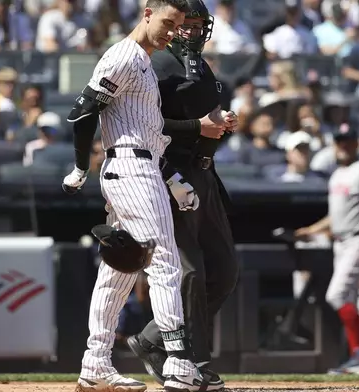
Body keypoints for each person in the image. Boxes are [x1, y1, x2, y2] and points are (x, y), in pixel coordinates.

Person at [60, 0, 233, 389]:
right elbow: (83, 110)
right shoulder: (123, 56)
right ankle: (177, 361)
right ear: (147, 13)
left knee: (119, 271)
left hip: (142, 164)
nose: (172, 31)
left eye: (178, 26)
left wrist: (173, 179)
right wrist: (78, 168)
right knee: (166, 263)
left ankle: (95, 362)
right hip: (131, 169)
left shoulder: (144, 63)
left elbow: (148, 136)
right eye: (168, 22)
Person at [124, 0, 238, 389]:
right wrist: (198, 127)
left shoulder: (203, 67)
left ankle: (152, 339)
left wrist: (220, 127)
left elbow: (209, 127)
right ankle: (192, 361)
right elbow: (144, 125)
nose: (191, 31)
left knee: (224, 272)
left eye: (198, 24)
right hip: (166, 174)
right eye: (184, 23)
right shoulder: (151, 66)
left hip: (204, 176)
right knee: (189, 273)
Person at [294, 123, 359, 374]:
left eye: (348, 140)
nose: (344, 145)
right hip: (341, 242)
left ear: (357, 143)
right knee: (353, 300)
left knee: (335, 295)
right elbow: (334, 217)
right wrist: (312, 229)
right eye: (340, 141)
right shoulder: (336, 175)